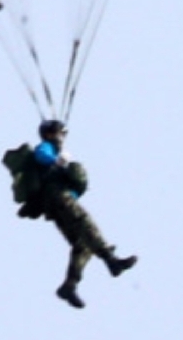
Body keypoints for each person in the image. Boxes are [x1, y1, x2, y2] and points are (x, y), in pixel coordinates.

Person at [29, 119, 137, 310]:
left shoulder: (56, 153)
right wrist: (57, 162)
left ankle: (69, 285)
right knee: (85, 222)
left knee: (83, 245)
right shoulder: (46, 148)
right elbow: (41, 155)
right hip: (57, 197)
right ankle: (111, 260)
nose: (62, 138)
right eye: (60, 134)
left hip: (55, 204)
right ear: (49, 134)